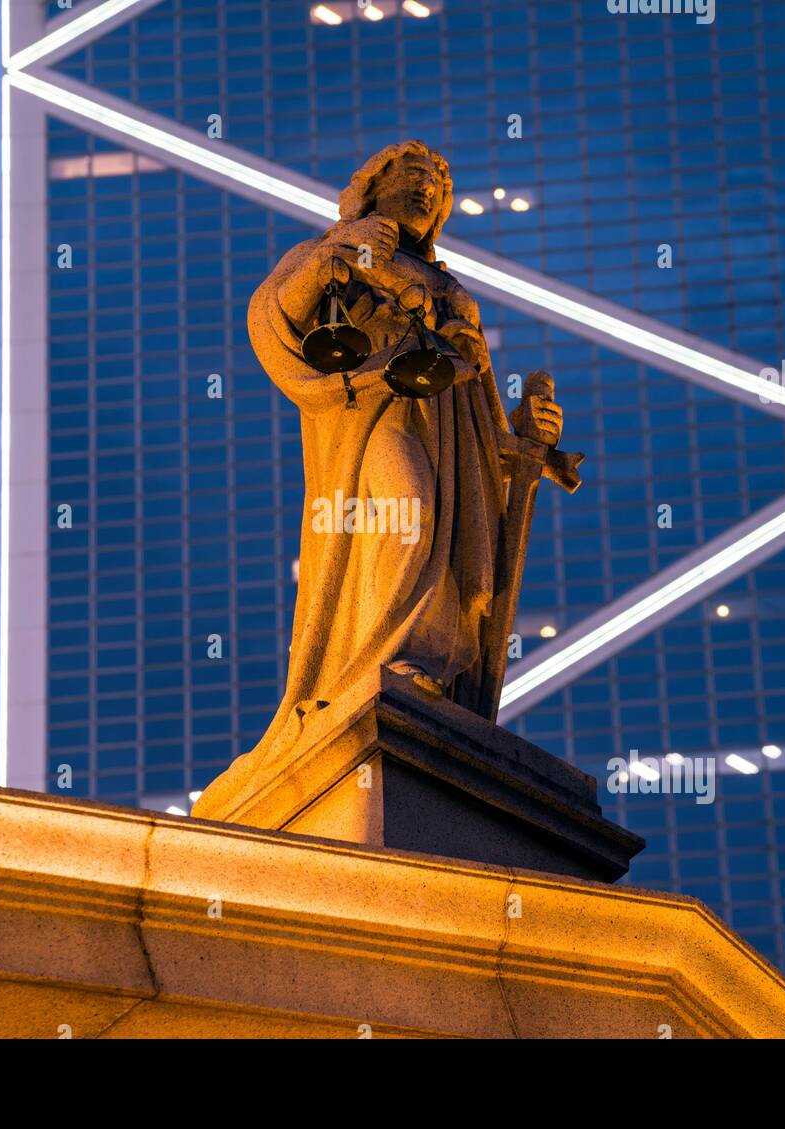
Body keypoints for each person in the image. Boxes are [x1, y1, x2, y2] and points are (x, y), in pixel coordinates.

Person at [192, 140, 561, 821]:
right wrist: (350, 252)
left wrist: (525, 438)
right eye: (414, 176)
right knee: (405, 511)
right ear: (372, 187)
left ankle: (419, 668)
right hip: (375, 417)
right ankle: (379, 666)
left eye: (439, 185)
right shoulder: (341, 249)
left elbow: (483, 419)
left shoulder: (454, 294)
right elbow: (275, 316)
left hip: (453, 435)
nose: (428, 190)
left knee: (447, 555)